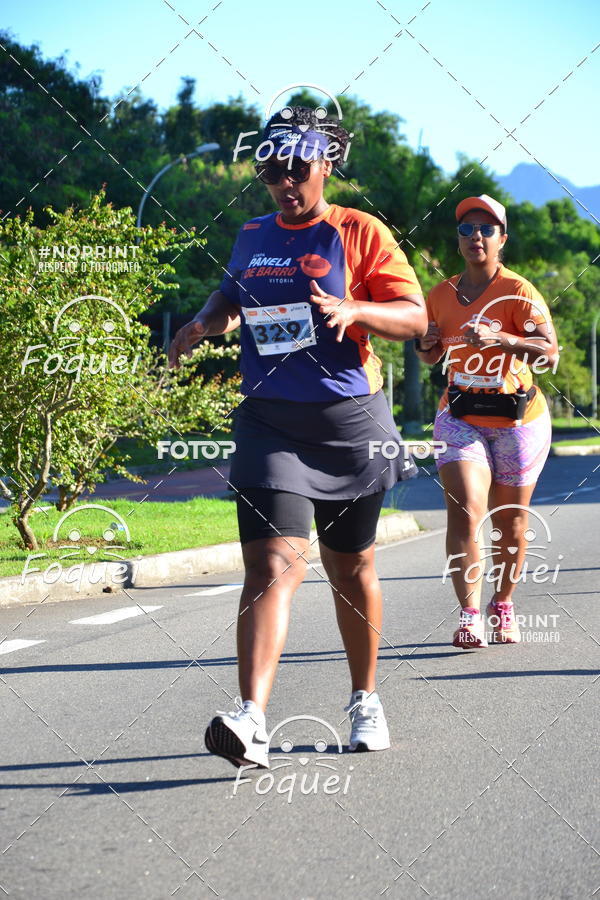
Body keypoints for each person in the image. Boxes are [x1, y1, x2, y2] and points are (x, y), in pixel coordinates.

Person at [169, 106, 427, 768]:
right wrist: (204, 323)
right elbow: (231, 297)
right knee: (270, 566)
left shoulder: (360, 232)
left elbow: (415, 316)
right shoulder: (253, 234)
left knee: (352, 567)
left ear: (326, 165)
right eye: (272, 171)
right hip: (269, 420)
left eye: (298, 169)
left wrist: (356, 308)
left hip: (348, 425)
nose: (286, 182)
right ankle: (251, 718)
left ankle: (365, 698)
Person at [416, 194, 558, 648]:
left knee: (510, 523)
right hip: (461, 416)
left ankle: (503, 603)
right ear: (458, 241)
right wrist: (427, 344)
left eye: (485, 229)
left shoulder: (520, 292)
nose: (475, 236)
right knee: (465, 512)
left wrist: (501, 337)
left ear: (502, 239)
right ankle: (470, 613)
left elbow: (549, 353)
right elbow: (430, 353)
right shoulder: (439, 294)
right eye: (465, 229)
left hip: (517, 419)